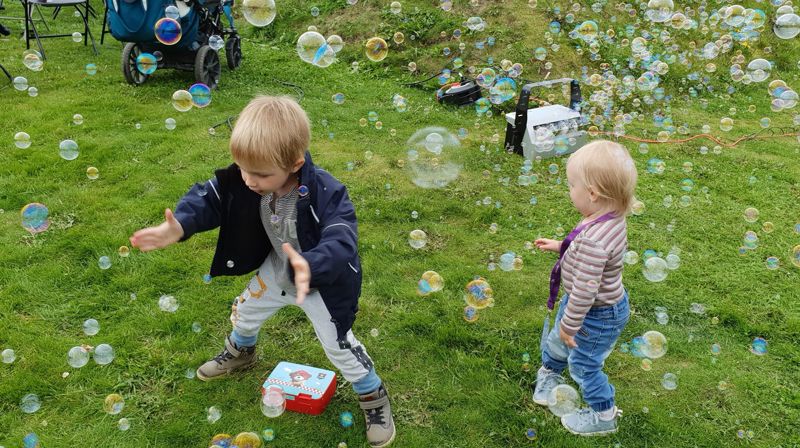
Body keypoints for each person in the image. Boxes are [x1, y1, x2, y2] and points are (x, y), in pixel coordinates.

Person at [129, 96, 395, 447]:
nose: (249, 180)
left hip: (321, 282)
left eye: (261, 174)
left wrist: (312, 264)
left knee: (338, 344)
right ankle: (241, 352)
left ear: (295, 163)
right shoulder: (247, 178)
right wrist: (178, 226)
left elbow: (342, 236)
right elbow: (209, 197)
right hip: (277, 268)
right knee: (246, 311)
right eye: (242, 169)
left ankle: (372, 395)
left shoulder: (327, 191)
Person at [532, 140, 637, 436]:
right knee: (557, 341)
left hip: (594, 312)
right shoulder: (608, 216)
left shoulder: (595, 239)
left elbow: (584, 292)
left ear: (592, 193)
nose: (570, 191)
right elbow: (585, 250)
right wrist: (560, 246)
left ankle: (603, 416)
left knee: (583, 364)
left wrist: (570, 325)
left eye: (571, 185)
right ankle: (549, 373)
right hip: (592, 306)